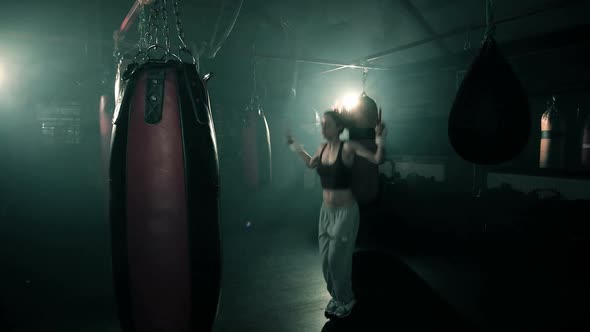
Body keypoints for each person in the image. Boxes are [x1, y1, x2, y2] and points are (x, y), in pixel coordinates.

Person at [287, 110, 386, 319]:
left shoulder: (348, 147)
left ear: (339, 127)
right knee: (325, 262)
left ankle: (347, 299)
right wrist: (294, 146)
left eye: (328, 124)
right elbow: (309, 163)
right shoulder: (322, 148)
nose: (323, 128)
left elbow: (377, 158)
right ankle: (337, 297)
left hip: (346, 212)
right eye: (322, 124)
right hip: (326, 213)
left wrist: (379, 137)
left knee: (336, 259)